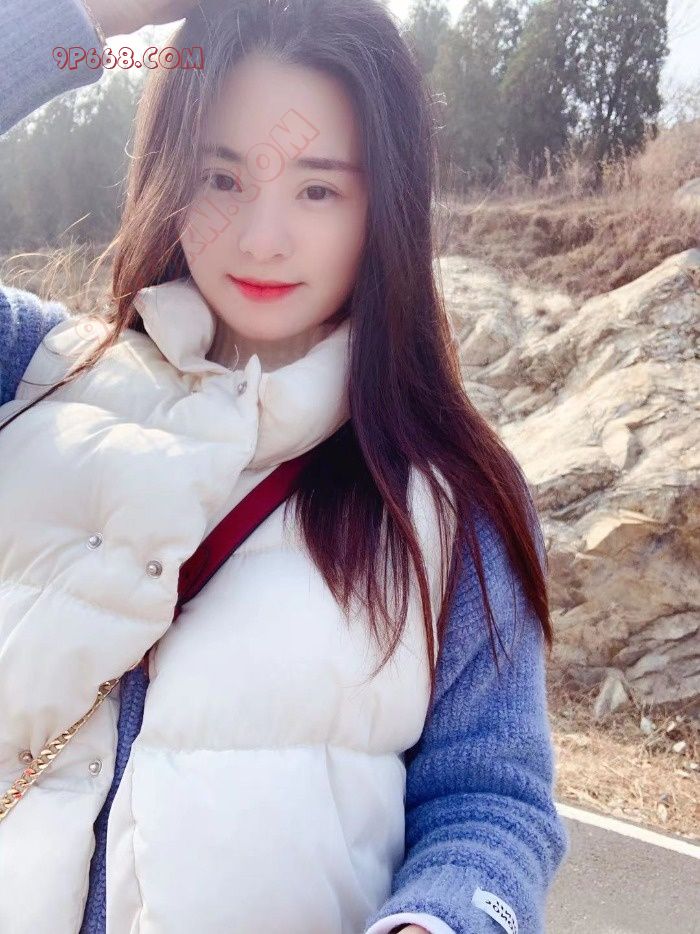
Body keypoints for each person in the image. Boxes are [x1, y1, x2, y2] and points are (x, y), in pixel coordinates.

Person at [0, 1, 569, 932]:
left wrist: (439, 922)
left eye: (316, 190)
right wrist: (87, 15)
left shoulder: (449, 496)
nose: (261, 237)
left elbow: (490, 800)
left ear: (384, 204)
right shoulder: (37, 380)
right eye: (222, 178)